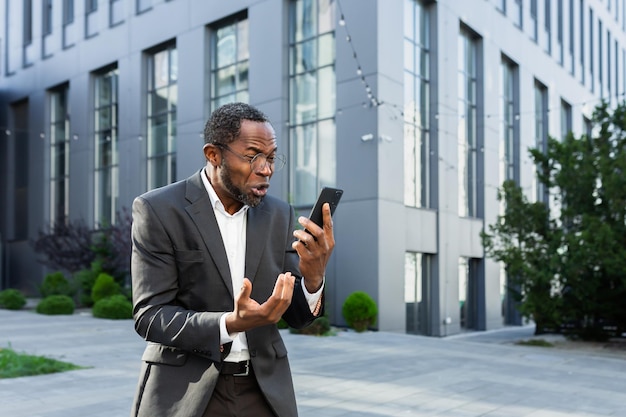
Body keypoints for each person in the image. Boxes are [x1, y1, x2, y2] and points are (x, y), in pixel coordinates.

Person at [129, 102, 335, 417]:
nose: (265, 168)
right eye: (253, 156)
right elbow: (150, 316)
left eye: (270, 157)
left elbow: (296, 317)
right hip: (187, 392)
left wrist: (313, 279)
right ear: (214, 154)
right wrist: (230, 323)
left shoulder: (278, 214)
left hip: (264, 391)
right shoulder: (158, 210)